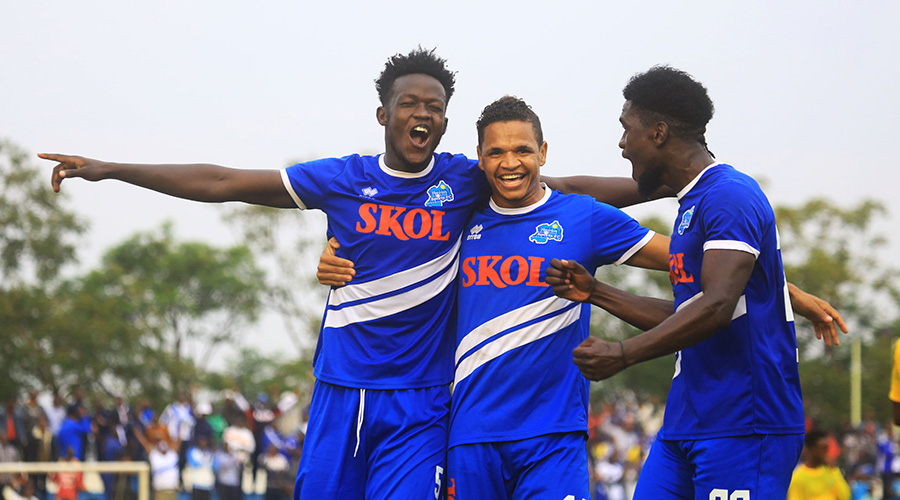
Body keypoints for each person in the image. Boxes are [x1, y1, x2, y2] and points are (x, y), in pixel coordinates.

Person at [44, 48, 843, 499]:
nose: (423, 116)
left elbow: (689, 259)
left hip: (432, 408)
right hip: (343, 393)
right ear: (385, 113)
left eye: (436, 107)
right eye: (409, 104)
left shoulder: (484, 186)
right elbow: (229, 181)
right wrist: (111, 168)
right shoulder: (359, 179)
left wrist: (790, 288)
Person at [544, 65, 828, 499]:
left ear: (657, 133)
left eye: (627, 129)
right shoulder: (689, 203)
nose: (621, 144)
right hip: (685, 421)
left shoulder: (729, 195)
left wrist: (622, 354)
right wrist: (598, 293)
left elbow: (715, 306)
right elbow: (688, 313)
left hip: (744, 423)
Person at [445, 95, 669, 499]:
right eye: (496, 152)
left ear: (543, 153)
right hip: (470, 435)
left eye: (522, 150)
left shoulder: (584, 218)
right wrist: (336, 252)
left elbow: (693, 262)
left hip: (553, 435)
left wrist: (784, 290)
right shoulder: (458, 220)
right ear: (480, 157)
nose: (509, 163)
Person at [787, 429, 851, 500]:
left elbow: (845, 497)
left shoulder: (831, 470)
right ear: (811, 449)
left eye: (827, 448)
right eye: (823, 448)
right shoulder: (797, 477)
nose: (827, 453)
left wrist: (834, 469)